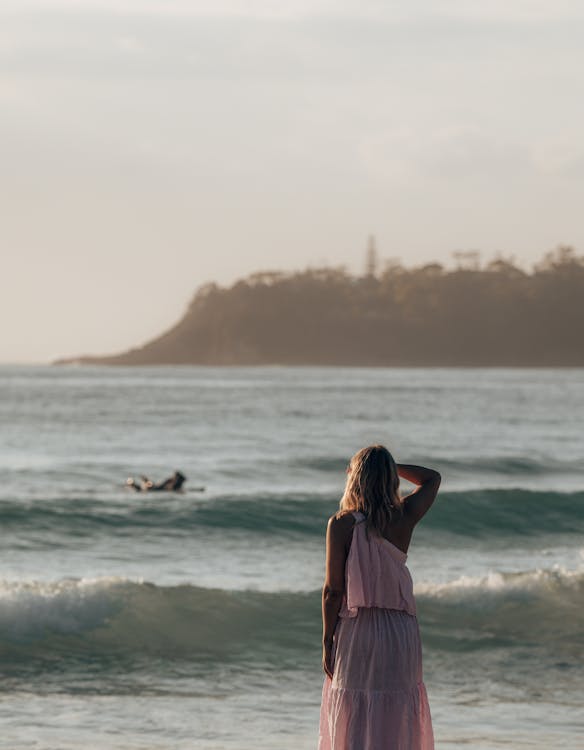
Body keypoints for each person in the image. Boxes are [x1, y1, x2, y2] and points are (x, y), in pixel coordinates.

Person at [319, 445, 441, 750]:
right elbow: (432, 478)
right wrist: (387, 466)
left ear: (354, 477)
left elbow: (333, 591)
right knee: (396, 705)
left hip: (358, 628)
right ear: (388, 478)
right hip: (400, 629)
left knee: (356, 703)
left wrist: (327, 638)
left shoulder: (342, 523)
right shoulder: (405, 515)